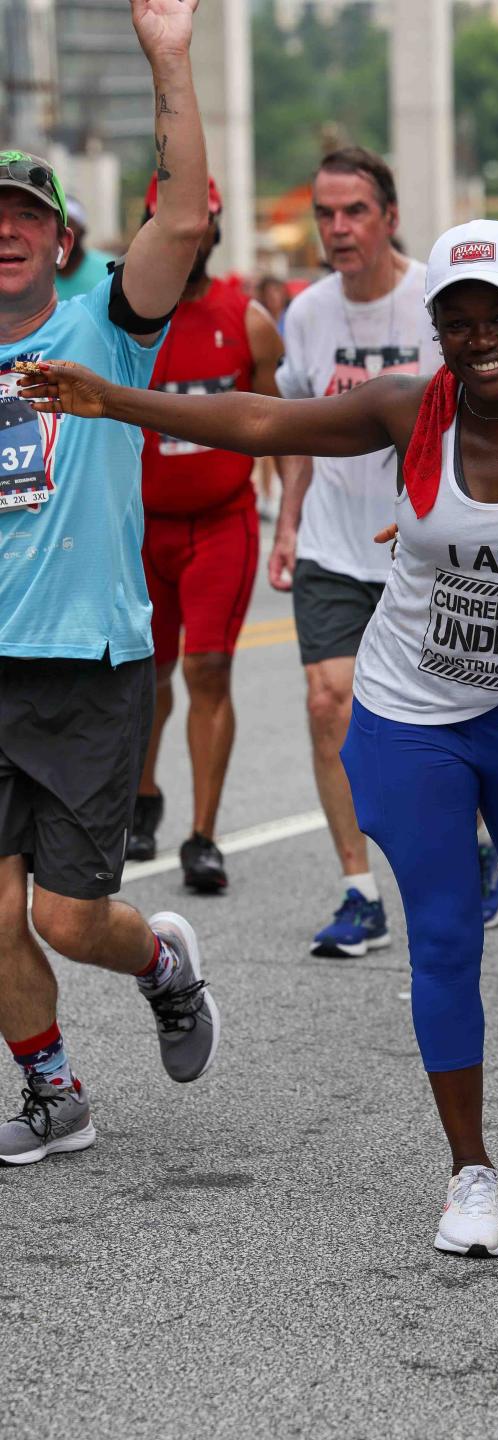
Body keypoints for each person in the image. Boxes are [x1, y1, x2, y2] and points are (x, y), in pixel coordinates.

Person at [18, 218, 498, 1253]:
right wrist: (113, 398)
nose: (480, 337)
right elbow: (266, 421)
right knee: (441, 937)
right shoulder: (411, 407)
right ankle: (470, 1172)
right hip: (412, 721)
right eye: (457, 320)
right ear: (435, 330)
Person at [0, 0, 219, 1168]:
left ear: (59, 234)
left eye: (24, 215)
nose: (4, 232)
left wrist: (167, 58)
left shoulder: (106, 328)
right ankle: (56, 1094)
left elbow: (182, 214)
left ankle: (162, 964)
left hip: (88, 668)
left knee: (71, 919)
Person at [269, 148, 498, 950]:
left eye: (355, 212)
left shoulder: (432, 305)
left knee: (449, 718)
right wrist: (287, 521)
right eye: (325, 214)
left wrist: (448, 513)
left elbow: (479, 418)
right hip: (335, 548)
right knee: (326, 701)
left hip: (431, 551)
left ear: (390, 216)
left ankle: (472, 843)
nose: (338, 229)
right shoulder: (305, 315)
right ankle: (358, 891)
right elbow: (295, 433)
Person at [125, 175, 286, 891]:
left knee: (209, 670)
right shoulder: (118, 317)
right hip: (141, 529)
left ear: (214, 229)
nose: (187, 237)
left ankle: (203, 834)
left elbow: (275, 422)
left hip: (221, 524)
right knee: (145, 675)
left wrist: (290, 517)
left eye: (197, 225)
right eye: (169, 223)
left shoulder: (246, 320)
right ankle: (142, 797)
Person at [53, 196, 114, 301]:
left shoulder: (110, 270)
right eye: (56, 224)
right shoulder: (36, 274)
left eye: (68, 223)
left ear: (83, 232)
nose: (61, 231)